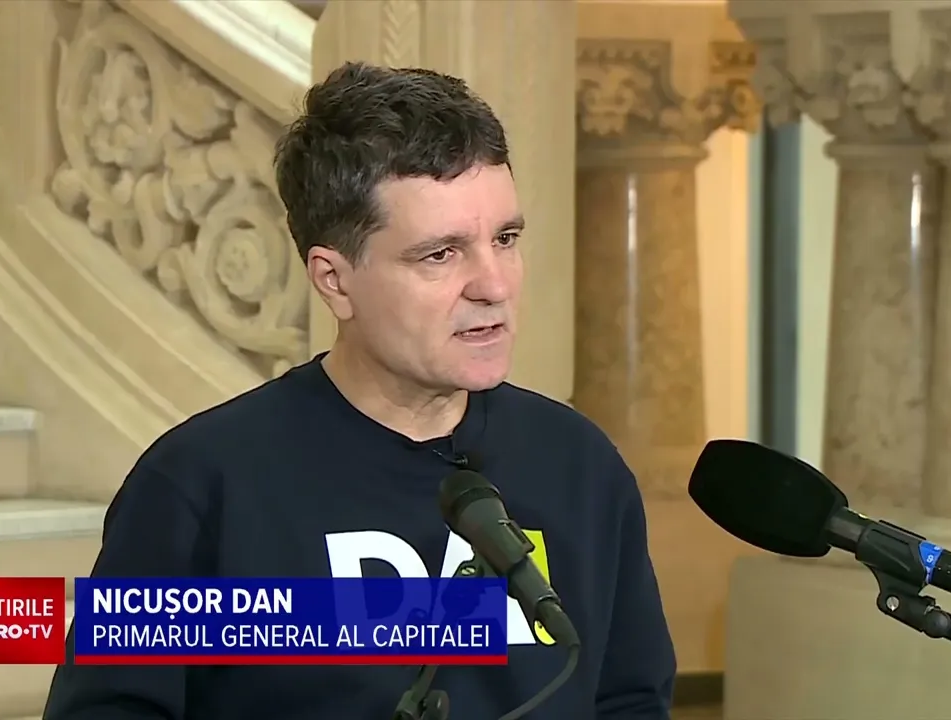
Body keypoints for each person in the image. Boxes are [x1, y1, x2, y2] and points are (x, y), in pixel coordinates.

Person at [41, 61, 676, 720]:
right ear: (335, 280)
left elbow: (630, 700)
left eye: (505, 239)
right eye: (440, 254)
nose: (494, 285)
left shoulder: (580, 466)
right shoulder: (203, 485)